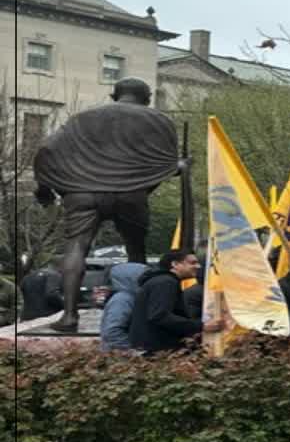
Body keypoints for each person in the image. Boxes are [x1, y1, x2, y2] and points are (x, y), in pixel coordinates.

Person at [33, 77, 183, 332]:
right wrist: (177, 169)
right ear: (147, 98)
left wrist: (44, 188)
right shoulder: (158, 120)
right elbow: (168, 165)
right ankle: (140, 312)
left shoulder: (82, 118)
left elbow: (46, 148)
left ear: (114, 96)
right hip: (130, 193)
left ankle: (69, 316)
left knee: (76, 248)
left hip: (82, 192)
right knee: (136, 251)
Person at [130, 250, 223, 354]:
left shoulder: (160, 281)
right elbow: (160, 316)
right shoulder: (166, 283)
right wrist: (201, 326)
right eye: (192, 263)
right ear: (175, 264)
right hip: (158, 353)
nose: (198, 266)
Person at [99, 262, 149, 352]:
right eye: (144, 278)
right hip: (121, 357)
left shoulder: (132, 297)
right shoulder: (123, 300)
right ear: (131, 279)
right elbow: (112, 331)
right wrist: (134, 350)